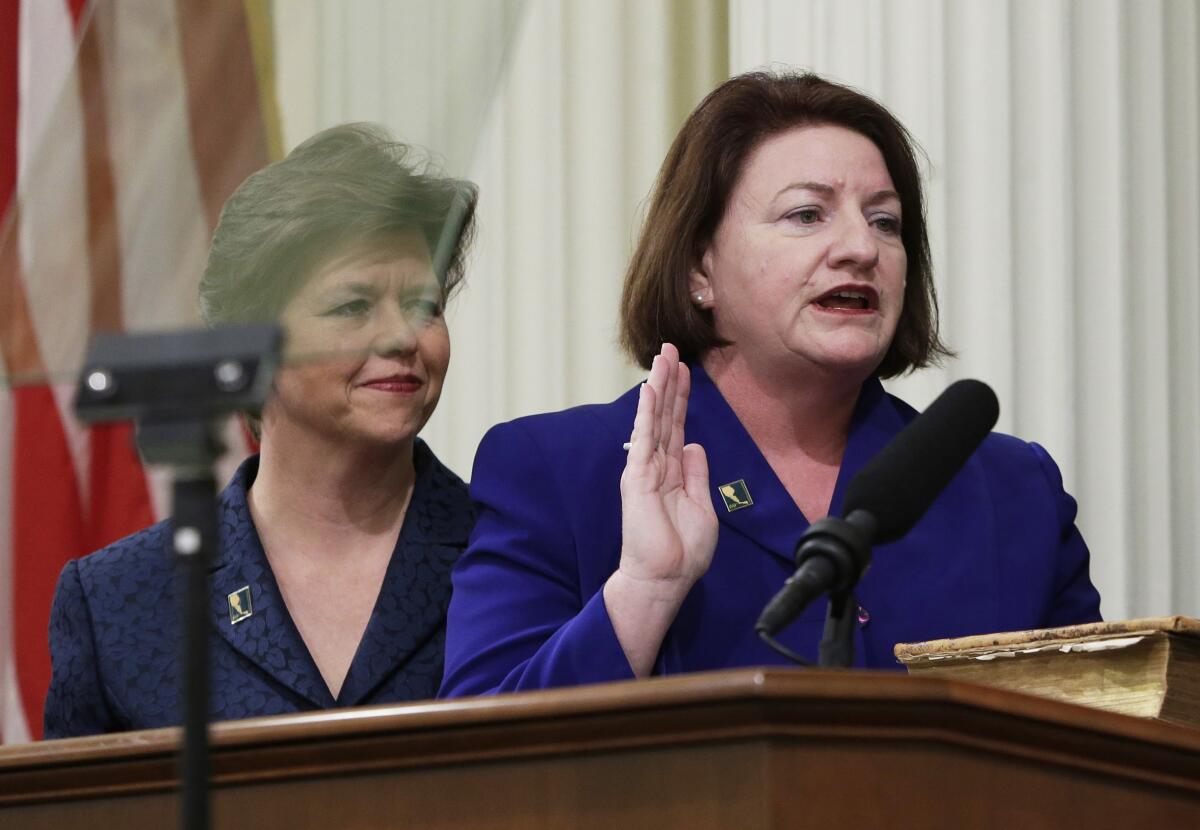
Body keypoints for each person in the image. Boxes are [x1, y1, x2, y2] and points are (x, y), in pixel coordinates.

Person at [440, 72, 1101, 696]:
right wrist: (644, 589)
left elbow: (1098, 750)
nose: (860, 249)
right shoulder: (558, 472)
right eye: (807, 215)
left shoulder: (1013, 494)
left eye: (885, 221)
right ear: (700, 267)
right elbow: (478, 759)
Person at [44, 124, 478, 737]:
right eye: (353, 306)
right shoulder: (118, 599)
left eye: (425, 306)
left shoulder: (513, 552)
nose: (405, 337)